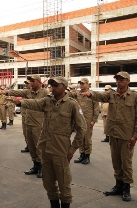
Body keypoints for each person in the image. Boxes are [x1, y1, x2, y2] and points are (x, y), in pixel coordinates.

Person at [8, 76, 86, 208]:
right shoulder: (48, 100)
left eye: (56, 85)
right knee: (48, 183)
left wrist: (72, 149)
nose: (53, 88)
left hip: (61, 150)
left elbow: (82, 128)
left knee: (64, 184)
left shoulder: (72, 104)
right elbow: (35, 103)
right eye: (51, 85)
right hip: (45, 148)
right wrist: (19, 102)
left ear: (65, 87)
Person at [82, 71, 136, 202]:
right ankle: (118, 186)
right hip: (113, 133)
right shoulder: (112, 94)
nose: (119, 82)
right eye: (117, 79)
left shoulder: (134, 96)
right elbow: (100, 96)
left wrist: (135, 136)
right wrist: (90, 93)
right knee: (116, 161)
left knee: (126, 163)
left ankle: (126, 189)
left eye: (122, 80)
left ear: (128, 81)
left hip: (126, 135)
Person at [0, 74, 48, 178]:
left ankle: (41, 167)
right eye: (30, 81)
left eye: (33, 81)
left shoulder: (45, 93)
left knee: (39, 146)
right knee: (31, 146)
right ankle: (35, 165)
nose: (31, 83)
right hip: (28, 122)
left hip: (38, 123)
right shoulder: (27, 91)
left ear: (39, 83)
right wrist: (7, 91)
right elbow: (18, 92)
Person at [69, 78, 99, 165]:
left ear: (87, 84)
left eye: (83, 83)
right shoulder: (77, 94)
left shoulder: (92, 94)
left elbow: (96, 109)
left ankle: (87, 156)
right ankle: (82, 154)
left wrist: (93, 120)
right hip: (79, 119)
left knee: (87, 138)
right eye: (80, 83)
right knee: (80, 137)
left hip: (88, 119)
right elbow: (69, 95)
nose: (81, 85)